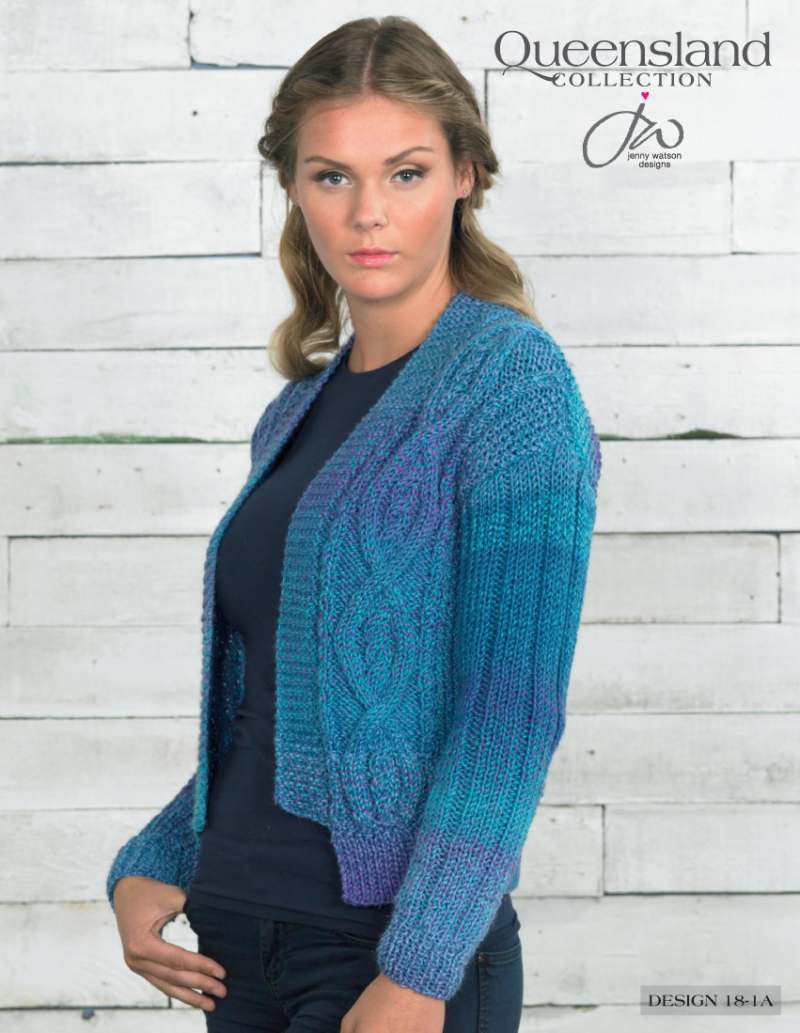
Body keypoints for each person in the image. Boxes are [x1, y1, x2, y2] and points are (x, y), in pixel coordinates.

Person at [105, 15, 602, 1033]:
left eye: (406, 173)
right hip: (235, 940)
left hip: (384, 953)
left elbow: (508, 715)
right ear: (293, 188)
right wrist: (160, 851)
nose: (367, 213)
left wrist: (421, 967)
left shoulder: (509, 386)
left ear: (465, 175)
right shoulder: (295, 412)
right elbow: (285, 707)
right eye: (332, 176)